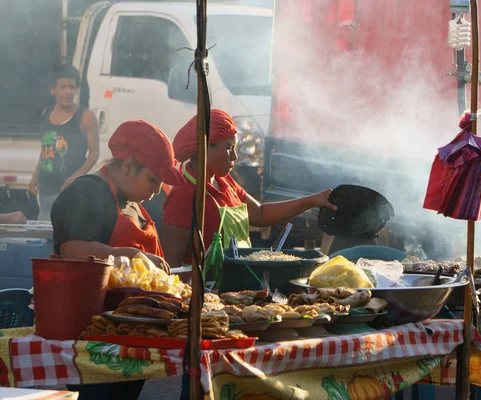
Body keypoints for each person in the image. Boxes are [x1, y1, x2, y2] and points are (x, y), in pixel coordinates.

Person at [50, 120, 184, 399]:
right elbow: (72, 250)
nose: (157, 190)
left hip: (134, 330)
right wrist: (132, 254)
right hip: (96, 335)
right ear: (128, 165)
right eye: (153, 180)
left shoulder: (134, 202)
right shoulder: (85, 193)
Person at [162, 109, 336, 268]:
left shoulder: (225, 181)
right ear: (204, 148)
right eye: (228, 148)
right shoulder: (184, 194)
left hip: (239, 282)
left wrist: (312, 201)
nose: (235, 156)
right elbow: (172, 261)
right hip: (207, 291)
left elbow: (260, 213)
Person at [29, 64, 99, 221]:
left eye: (72, 87)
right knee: (45, 235)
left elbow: (94, 153)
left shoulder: (85, 117)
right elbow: (45, 149)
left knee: (68, 234)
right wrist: (36, 175)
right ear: (52, 90)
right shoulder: (46, 114)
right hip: (47, 189)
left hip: (72, 192)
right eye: (63, 87)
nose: (68, 92)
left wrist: (76, 177)